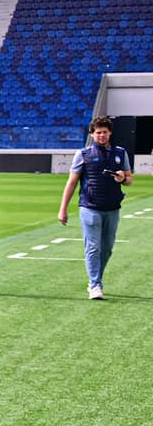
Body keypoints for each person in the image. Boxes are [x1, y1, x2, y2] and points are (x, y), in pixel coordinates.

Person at [58, 116, 134, 300]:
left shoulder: (120, 153)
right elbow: (71, 182)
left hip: (113, 208)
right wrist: (63, 208)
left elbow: (129, 180)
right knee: (93, 247)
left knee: (107, 249)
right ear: (92, 134)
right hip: (90, 207)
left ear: (110, 133)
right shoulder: (83, 154)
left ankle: (96, 279)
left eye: (104, 132)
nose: (101, 135)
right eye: (98, 132)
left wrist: (122, 178)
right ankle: (95, 285)